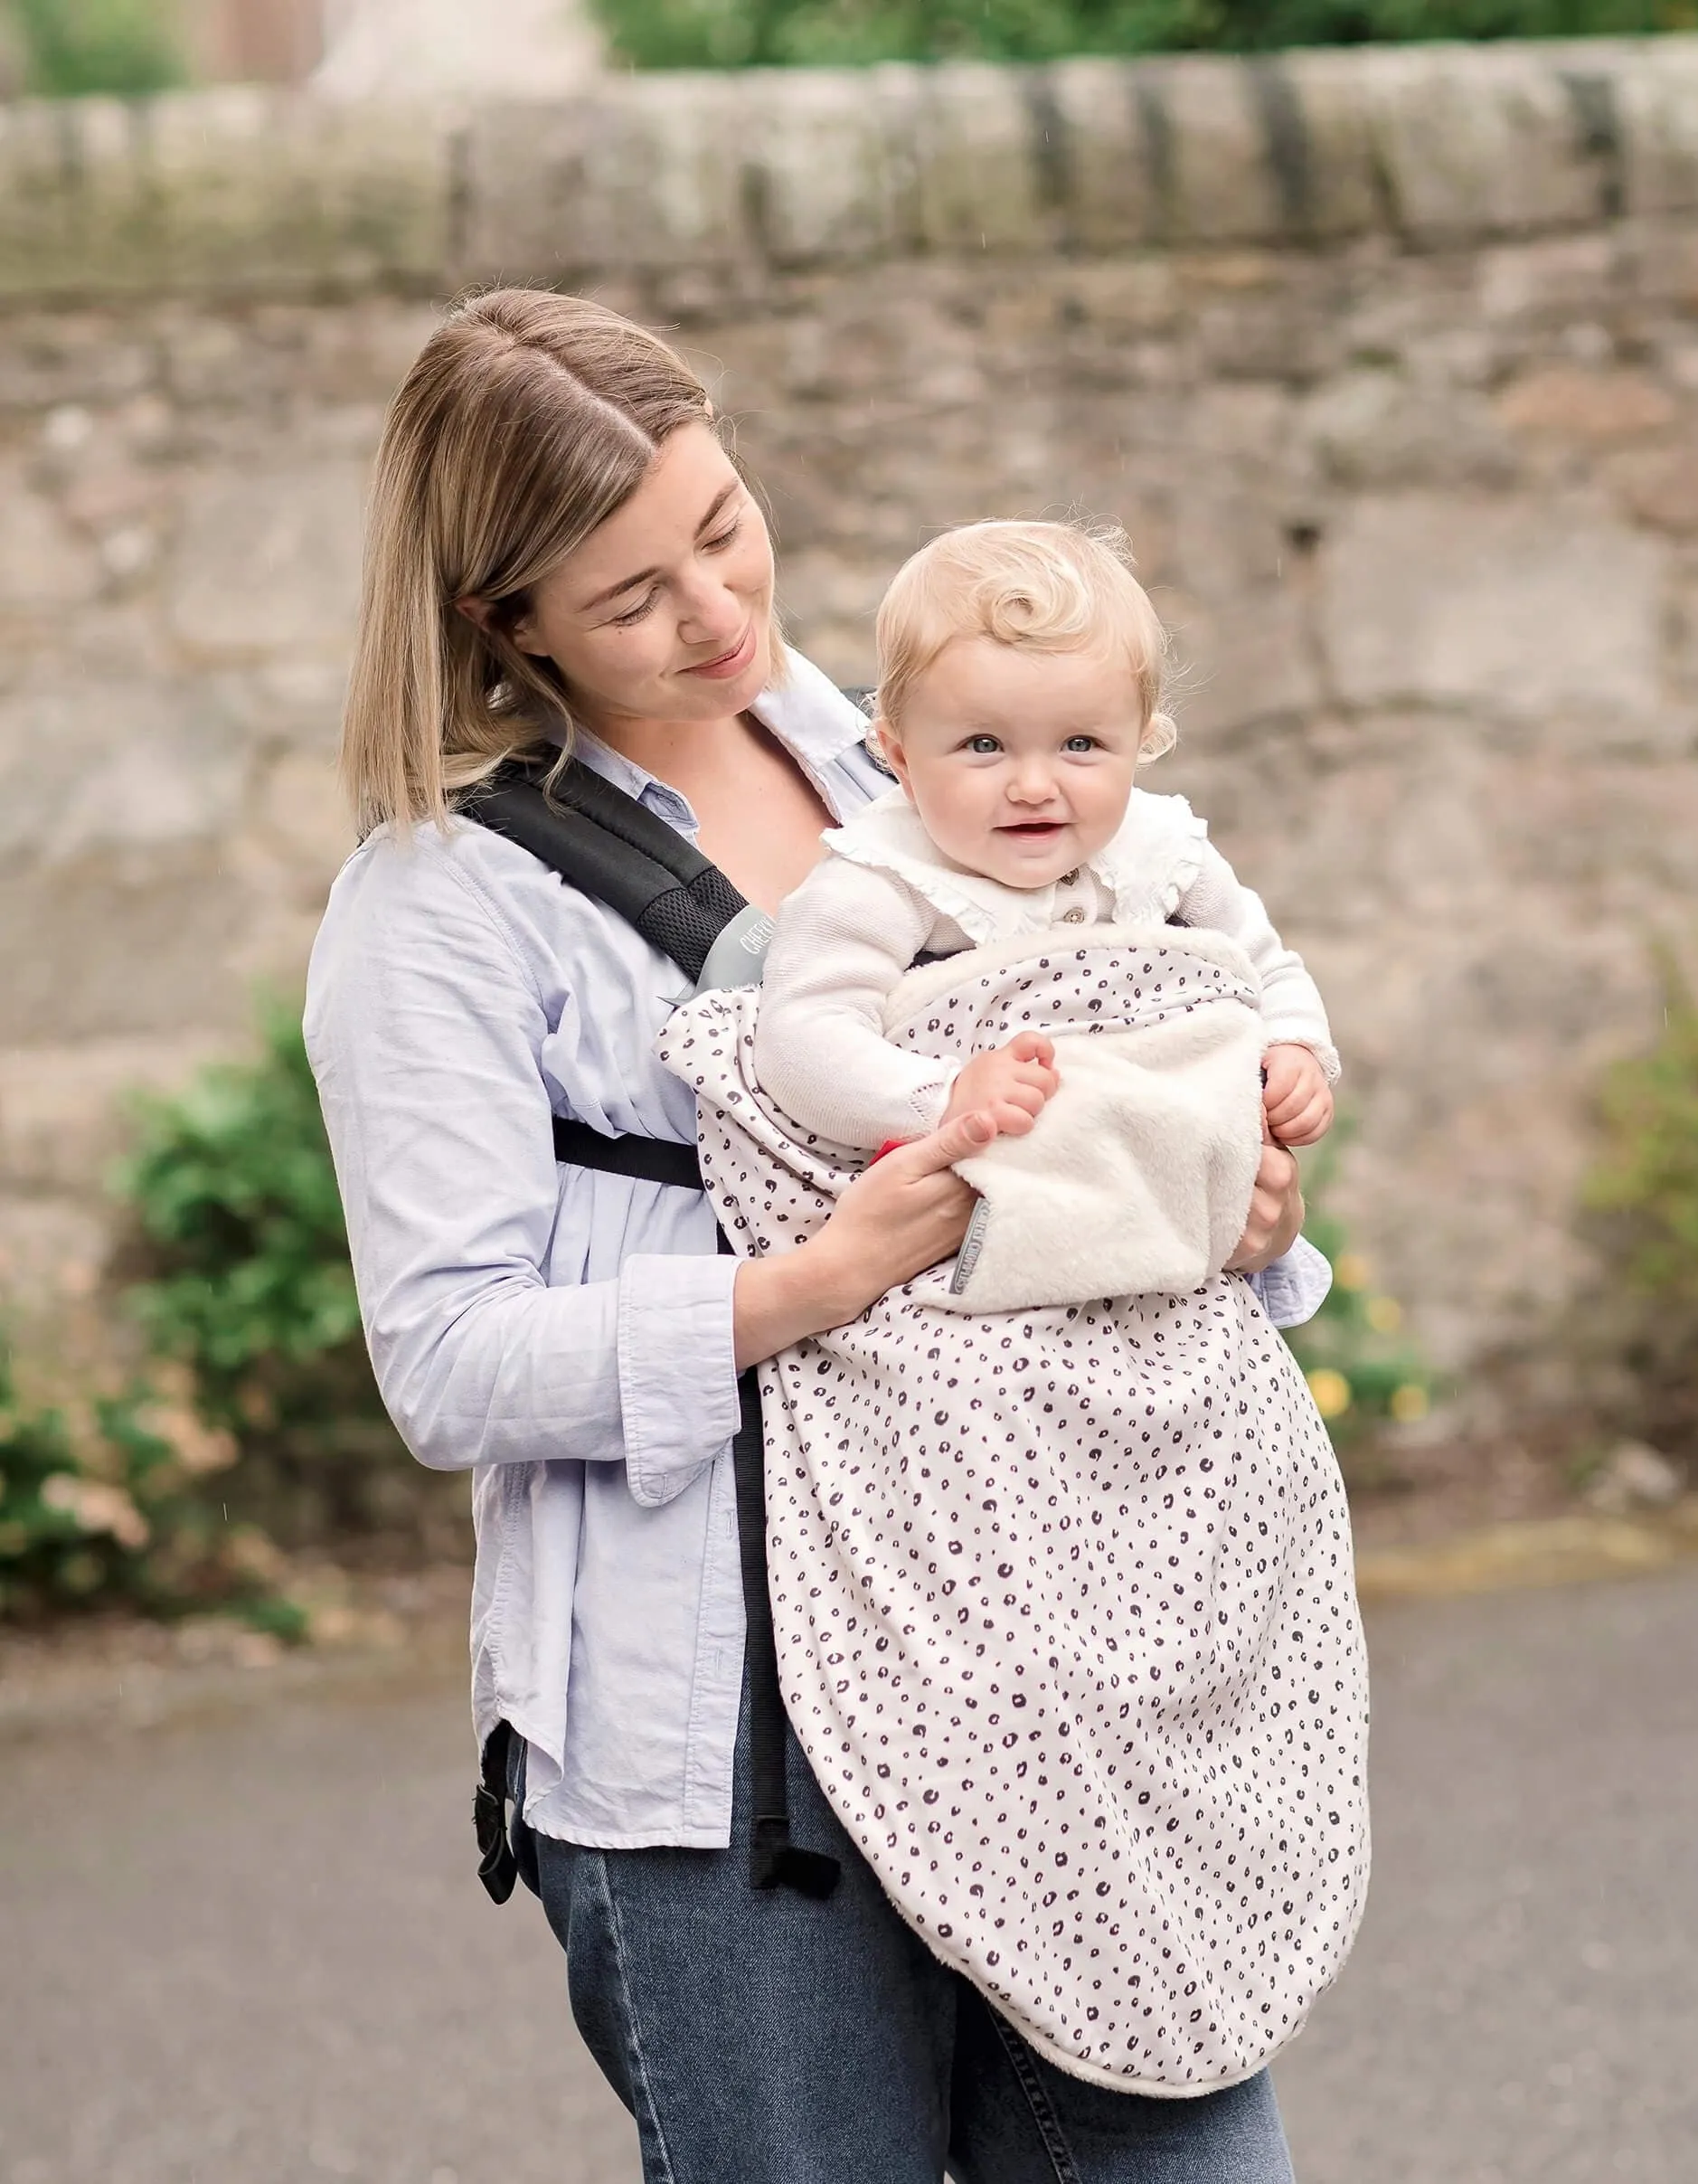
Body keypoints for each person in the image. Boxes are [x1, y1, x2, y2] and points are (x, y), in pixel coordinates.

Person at [306, 287, 1329, 2182]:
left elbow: (1131, 1079)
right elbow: (445, 1359)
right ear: (498, 620)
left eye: (721, 524)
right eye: (630, 596)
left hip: (1047, 1667)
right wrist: (811, 1279)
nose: (715, 608)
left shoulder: (926, 760)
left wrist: (1243, 1206)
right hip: (725, 1753)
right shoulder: (438, 906)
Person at [755, 516, 1338, 1168]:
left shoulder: (1163, 851)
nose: (1034, 786)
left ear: (1141, 740)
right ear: (900, 756)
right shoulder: (885, 874)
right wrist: (940, 1093)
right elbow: (801, 1038)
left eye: (1080, 744)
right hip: (972, 1200)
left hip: (1147, 1168)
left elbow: (1263, 965)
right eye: (985, 745)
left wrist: (1292, 1044)